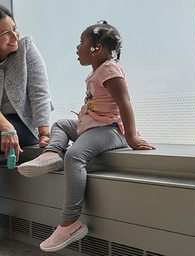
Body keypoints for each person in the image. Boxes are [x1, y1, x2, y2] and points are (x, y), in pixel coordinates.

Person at [18, 20, 155, 252]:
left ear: (97, 48)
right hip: (92, 126)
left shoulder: (109, 69)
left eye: (82, 42)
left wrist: (131, 137)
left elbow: (125, 103)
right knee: (61, 123)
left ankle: (70, 222)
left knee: (74, 156)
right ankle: (51, 153)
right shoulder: (98, 71)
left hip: (110, 129)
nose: (77, 47)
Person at [0, 5, 53, 162]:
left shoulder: (26, 47)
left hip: (23, 123)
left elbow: (40, 92)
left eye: (14, 28)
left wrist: (44, 134)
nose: (15, 37)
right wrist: (6, 127)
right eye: (5, 33)